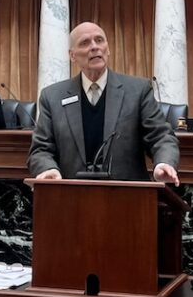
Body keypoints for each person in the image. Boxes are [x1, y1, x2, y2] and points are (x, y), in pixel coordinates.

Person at [28, 21, 180, 185]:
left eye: (99, 40)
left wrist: (163, 162)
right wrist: (47, 168)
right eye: (85, 43)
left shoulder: (138, 90)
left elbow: (161, 137)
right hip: (71, 197)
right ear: (72, 55)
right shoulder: (52, 96)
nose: (94, 47)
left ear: (108, 49)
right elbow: (40, 149)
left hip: (127, 197)